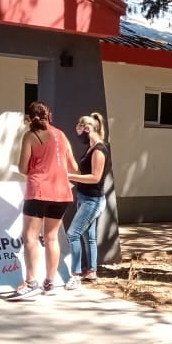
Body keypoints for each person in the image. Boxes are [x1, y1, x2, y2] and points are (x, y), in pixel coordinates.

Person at [9, 101, 78, 300]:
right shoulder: (62, 135)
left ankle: (31, 282)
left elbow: (23, 168)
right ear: (49, 116)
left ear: (29, 118)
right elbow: (73, 167)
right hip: (62, 192)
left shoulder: (31, 136)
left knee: (30, 236)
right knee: (52, 237)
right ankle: (50, 281)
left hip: (39, 190)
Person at [64, 113, 111, 288]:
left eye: (79, 131)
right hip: (84, 197)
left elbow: (95, 177)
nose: (78, 136)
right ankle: (91, 271)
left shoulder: (99, 150)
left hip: (93, 200)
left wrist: (69, 176)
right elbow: (83, 174)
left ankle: (75, 275)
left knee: (73, 233)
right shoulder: (91, 148)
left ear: (87, 129)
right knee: (88, 236)